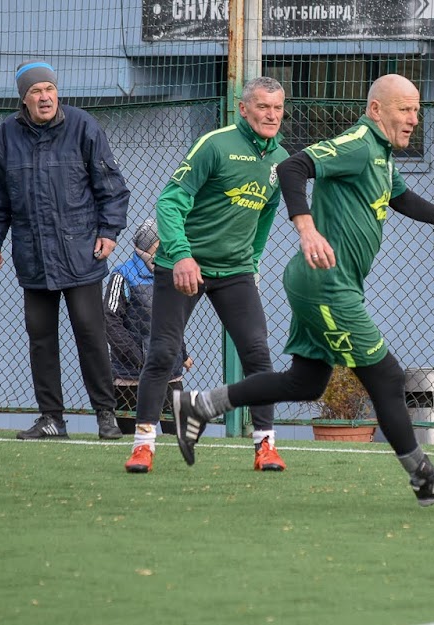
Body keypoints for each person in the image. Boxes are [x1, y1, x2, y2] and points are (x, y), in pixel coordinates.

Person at [171, 74, 434, 506]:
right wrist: (306, 228)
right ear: (376, 110)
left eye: (416, 109)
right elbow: (291, 167)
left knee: (307, 381)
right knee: (386, 375)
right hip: (326, 286)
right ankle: (424, 478)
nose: (413, 118)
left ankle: (200, 405)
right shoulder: (358, 144)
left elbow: (402, 199)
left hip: (330, 284)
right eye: (404, 109)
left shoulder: (381, 156)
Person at [123, 76, 290, 474]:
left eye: (278, 108)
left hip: (234, 272)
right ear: (244, 108)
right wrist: (180, 255)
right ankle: (143, 445)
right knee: (163, 353)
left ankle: (265, 445)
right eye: (263, 107)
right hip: (183, 266)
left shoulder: (281, 158)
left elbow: (264, 216)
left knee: (258, 354)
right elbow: (170, 201)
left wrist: (252, 262)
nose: (271, 115)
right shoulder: (215, 144)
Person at [0, 59, 129, 441]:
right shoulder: (4, 138)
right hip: (33, 257)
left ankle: (106, 416)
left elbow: (111, 186)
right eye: (35, 92)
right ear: (23, 99)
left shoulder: (83, 126)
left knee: (92, 336)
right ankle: (51, 419)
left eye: (49, 90)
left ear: (57, 92)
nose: (44, 97)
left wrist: (109, 231)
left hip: (82, 255)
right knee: (41, 341)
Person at [104, 219, 193, 433]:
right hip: (130, 377)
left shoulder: (171, 273)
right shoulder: (122, 275)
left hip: (170, 373)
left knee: (176, 434)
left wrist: (182, 353)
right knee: (132, 435)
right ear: (148, 246)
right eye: (161, 244)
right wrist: (139, 358)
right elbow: (110, 320)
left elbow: (172, 321)